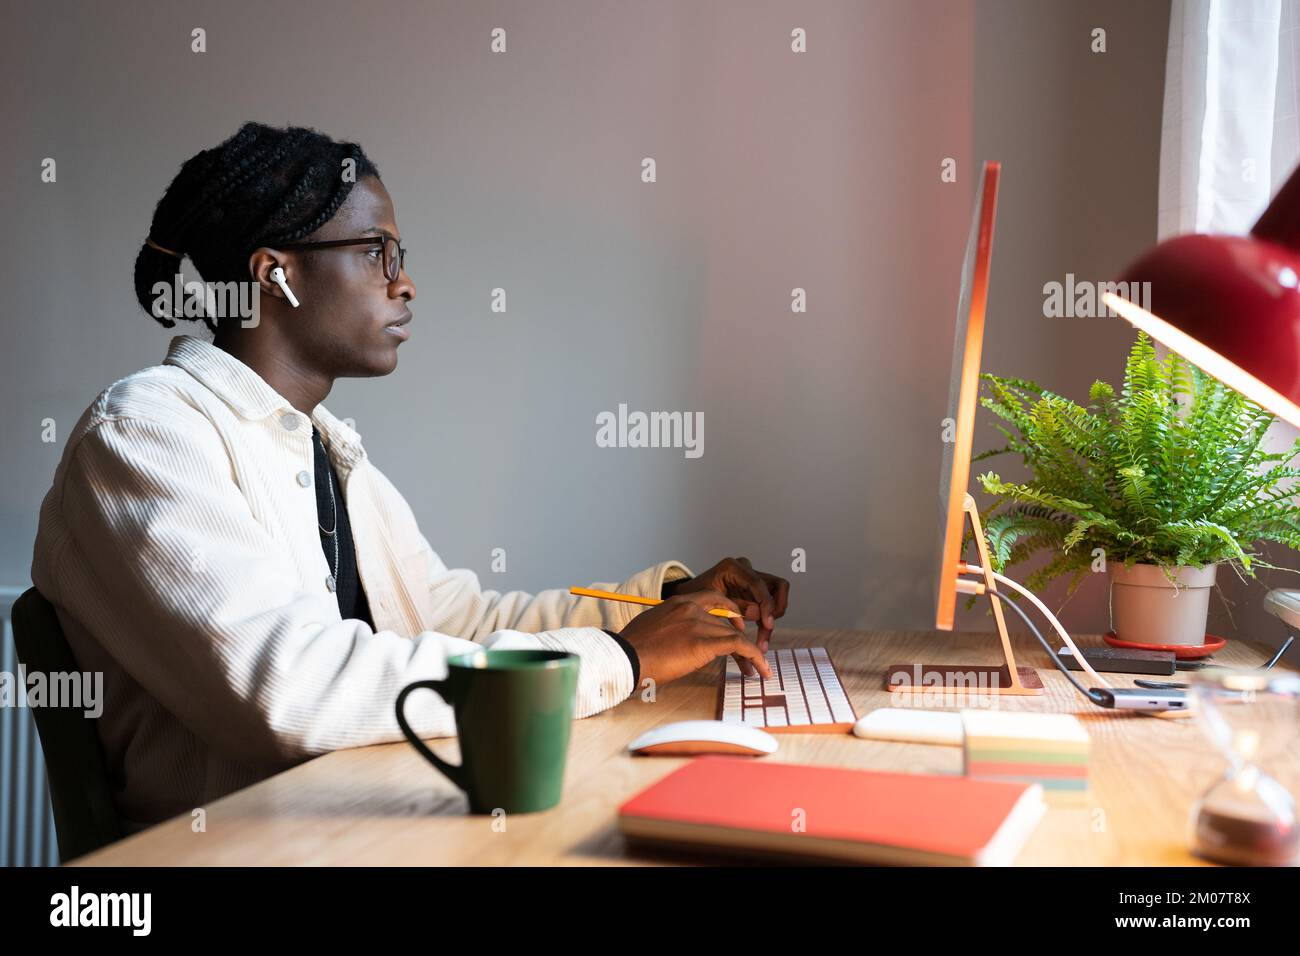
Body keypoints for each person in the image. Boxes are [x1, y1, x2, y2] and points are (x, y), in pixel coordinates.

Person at [30, 122, 789, 834]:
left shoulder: (331, 455)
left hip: (358, 830)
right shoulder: (147, 434)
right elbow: (287, 690)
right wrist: (619, 662)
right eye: (377, 252)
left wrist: (658, 607)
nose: (406, 284)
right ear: (277, 274)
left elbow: (461, 620)